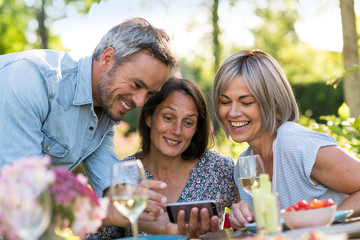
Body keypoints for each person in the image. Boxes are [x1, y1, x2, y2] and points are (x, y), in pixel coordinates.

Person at [0, 17, 177, 227]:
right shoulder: (31, 80)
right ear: (107, 59)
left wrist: (167, 224)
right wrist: (100, 213)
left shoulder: (103, 112)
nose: (140, 102)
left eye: (149, 93)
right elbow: (20, 189)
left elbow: (113, 186)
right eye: (136, 84)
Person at [211, 49, 360, 229]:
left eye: (246, 102)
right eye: (225, 102)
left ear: (273, 101)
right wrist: (240, 219)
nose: (232, 113)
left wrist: (324, 223)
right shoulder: (244, 167)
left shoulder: (296, 144)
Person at [88, 78, 237, 239]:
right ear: (149, 118)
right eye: (168, 118)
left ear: (196, 129)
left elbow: (251, 227)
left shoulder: (220, 169)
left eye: (188, 123)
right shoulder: (125, 174)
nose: (177, 130)